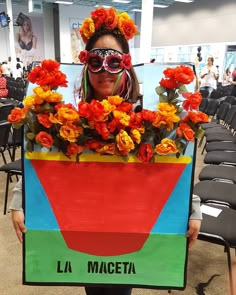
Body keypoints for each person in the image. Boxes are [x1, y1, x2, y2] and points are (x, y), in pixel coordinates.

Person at [10, 7, 202, 295]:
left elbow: (172, 163)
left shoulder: (148, 121)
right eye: (95, 61)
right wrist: (19, 200)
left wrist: (193, 207)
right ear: (86, 65)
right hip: (86, 227)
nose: (103, 72)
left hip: (129, 227)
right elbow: (45, 159)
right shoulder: (69, 121)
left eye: (113, 61)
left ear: (125, 65)